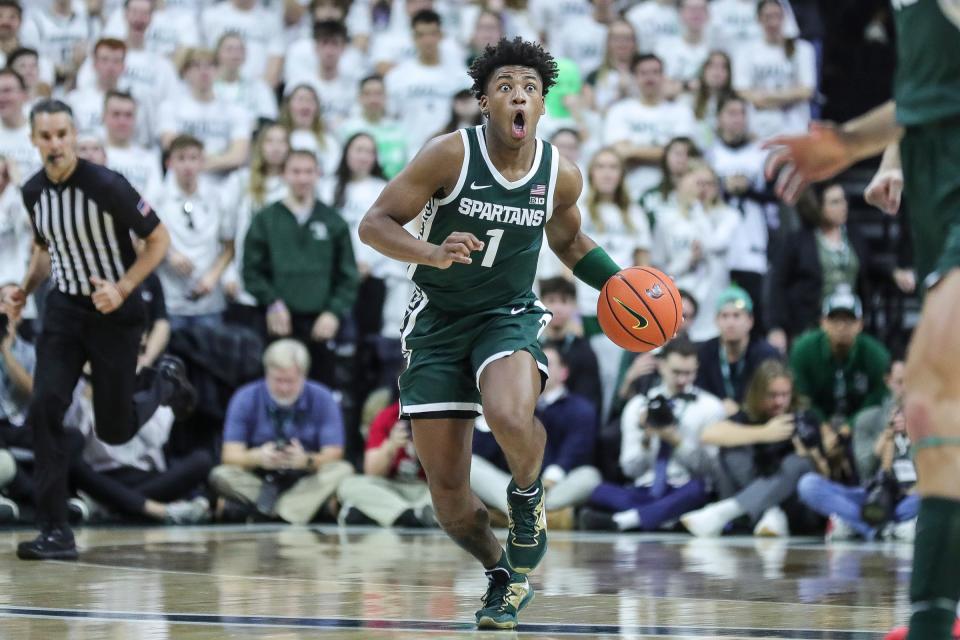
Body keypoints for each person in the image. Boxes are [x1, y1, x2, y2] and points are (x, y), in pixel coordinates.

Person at [359, 37, 628, 630]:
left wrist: (619, 283)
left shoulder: (560, 174)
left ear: (541, 104)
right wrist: (430, 252)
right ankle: (504, 575)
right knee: (450, 499)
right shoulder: (448, 155)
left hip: (507, 313)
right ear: (484, 101)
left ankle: (527, 498)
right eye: (506, 86)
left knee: (509, 413)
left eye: (530, 88)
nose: (519, 96)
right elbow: (373, 223)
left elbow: (569, 242)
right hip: (436, 322)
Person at [764, 6, 960, 626]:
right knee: (936, 413)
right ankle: (935, 612)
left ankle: (932, 620)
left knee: (932, 397)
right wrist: (861, 146)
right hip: (938, 188)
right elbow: (929, 88)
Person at [4, 99, 170, 559]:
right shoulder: (33, 191)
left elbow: (159, 240)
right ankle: (54, 530)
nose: (55, 144)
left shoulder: (107, 185)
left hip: (115, 313)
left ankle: (164, 384)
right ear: (33, 140)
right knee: (44, 409)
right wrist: (25, 286)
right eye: (46, 136)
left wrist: (122, 288)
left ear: (73, 136)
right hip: (64, 310)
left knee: (114, 430)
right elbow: (43, 248)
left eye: (62, 134)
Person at [580, 337, 725, 532]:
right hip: (645, 489)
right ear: (661, 365)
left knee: (698, 490)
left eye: (689, 373)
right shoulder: (638, 405)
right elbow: (630, 469)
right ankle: (666, 518)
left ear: (697, 368)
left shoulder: (710, 407)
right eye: (676, 372)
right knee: (599, 491)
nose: (682, 380)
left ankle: (625, 521)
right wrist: (646, 438)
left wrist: (677, 441)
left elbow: (711, 471)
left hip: (684, 486)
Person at [243, 150, 360, 388]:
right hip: (279, 320)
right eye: (296, 171)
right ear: (284, 174)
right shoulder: (266, 219)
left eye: (308, 172)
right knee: (279, 386)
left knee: (322, 389)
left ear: (318, 175)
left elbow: (348, 276)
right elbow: (251, 271)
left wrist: (333, 312)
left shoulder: (333, 221)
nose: (303, 178)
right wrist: (272, 301)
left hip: (321, 324)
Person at [209, 339, 354, 524]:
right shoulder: (245, 397)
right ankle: (293, 512)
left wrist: (306, 460)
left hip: (305, 479)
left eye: (291, 381)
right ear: (266, 373)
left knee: (343, 470)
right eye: (278, 380)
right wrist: (258, 457)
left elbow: (334, 454)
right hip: (259, 479)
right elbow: (229, 455)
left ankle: (267, 511)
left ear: (304, 375)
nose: (284, 388)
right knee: (220, 475)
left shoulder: (323, 397)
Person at [681, 360, 818, 538]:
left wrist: (811, 453)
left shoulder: (802, 417)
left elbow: (822, 470)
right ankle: (771, 513)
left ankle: (724, 512)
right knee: (731, 451)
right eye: (772, 395)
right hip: (755, 502)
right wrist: (764, 433)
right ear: (758, 394)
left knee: (799, 462)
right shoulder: (748, 415)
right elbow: (709, 434)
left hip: (797, 508)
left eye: (785, 395)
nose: (780, 401)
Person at [470, 345, 601, 527]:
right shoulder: (514, 407)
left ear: (563, 372)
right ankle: (550, 518)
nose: (540, 369)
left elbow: (575, 451)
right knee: (470, 465)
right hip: (516, 485)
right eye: (533, 364)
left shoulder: (580, 408)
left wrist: (550, 480)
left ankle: (513, 515)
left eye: (547, 363)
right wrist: (489, 418)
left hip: (558, 486)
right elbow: (484, 453)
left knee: (590, 475)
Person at [153, 135, 234, 332]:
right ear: (169, 163)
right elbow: (143, 241)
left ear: (202, 162)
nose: (187, 165)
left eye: (193, 158)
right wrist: (169, 254)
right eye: (181, 158)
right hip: (170, 301)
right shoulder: (156, 197)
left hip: (209, 300)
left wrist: (213, 276)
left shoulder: (217, 197)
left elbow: (229, 246)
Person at [789, 290, 890, 427]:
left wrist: (849, 427)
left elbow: (876, 398)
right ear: (823, 323)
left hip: (861, 427)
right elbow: (801, 395)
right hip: (815, 423)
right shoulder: (803, 350)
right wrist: (822, 426)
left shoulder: (876, 355)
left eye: (849, 320)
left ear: (860, 324)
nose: (841, 326)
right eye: (835, 320)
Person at [336, 396, 436, 528]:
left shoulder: (437, 418)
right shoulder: (387, 415)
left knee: (448, 497)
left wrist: (424, 450)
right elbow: (371, 472)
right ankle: (408, 514)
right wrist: (390, 446)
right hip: (389, 486)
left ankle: (374, 515)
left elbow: (445, 475)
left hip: (423, 488)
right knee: (348, 485)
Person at [696, 286, 781, 417]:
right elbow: (698, 393)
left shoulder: (767, 354)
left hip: (755, 419)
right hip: (714, 420)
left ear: (750, 321)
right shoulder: (704, 352)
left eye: (737, 315)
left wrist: (741, 408)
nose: (730, 323)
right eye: (724, 316)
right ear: (716, 321)